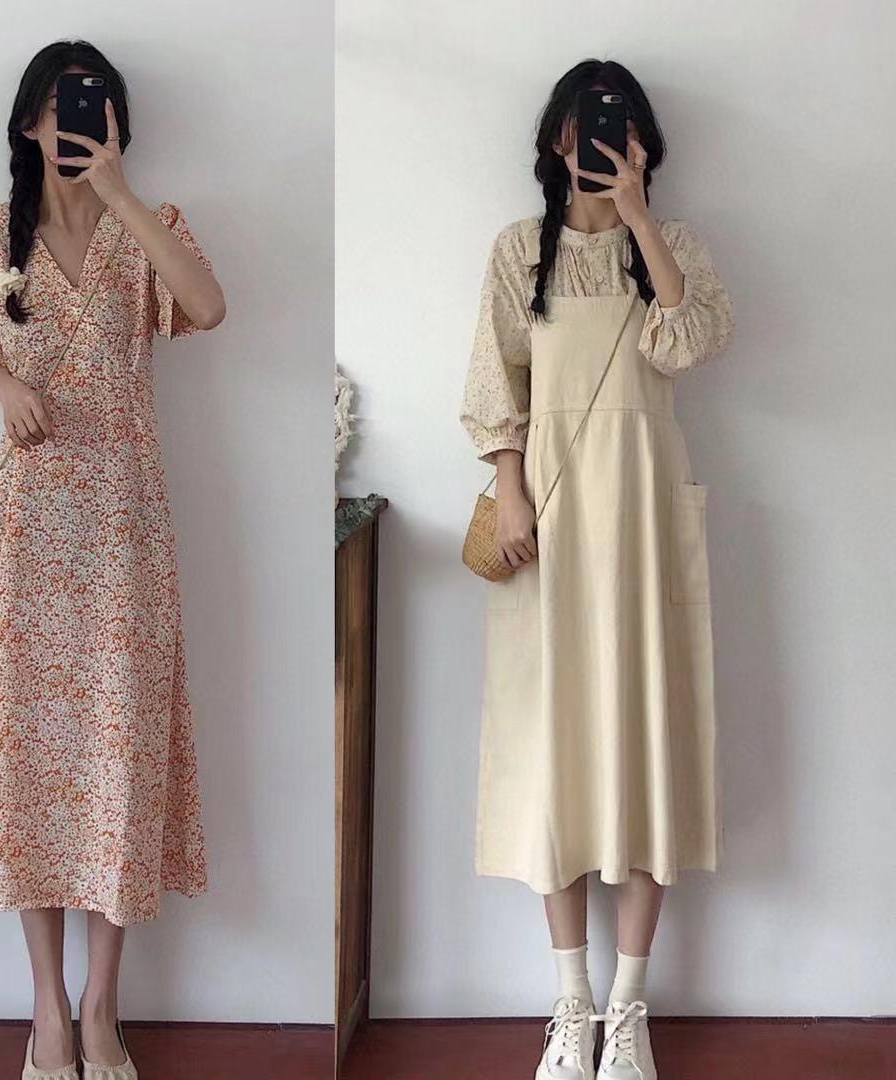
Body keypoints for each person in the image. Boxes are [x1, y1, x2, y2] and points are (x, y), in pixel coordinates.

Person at [0, 40, 225, 1080]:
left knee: (115, 755)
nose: (75, 123)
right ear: (27, 123)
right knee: (30, 760)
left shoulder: (152, 228)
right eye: (59, 108)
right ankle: (46, 1011)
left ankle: (104, 1007)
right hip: (28, 531)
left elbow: (207, 307)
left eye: (93, 107)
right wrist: (4, 387)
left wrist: (120, 195)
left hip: (122, 528)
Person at [459, 59, 734, 1080]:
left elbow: (690, 342)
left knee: (647, 739)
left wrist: (639, 215)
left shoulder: (674, 249)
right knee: (552, 746)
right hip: (548, 522)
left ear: (643, 143)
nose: (600, 143)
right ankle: (568, 1003)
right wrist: (508, 486)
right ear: (556, 141)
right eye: (584, 128)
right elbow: (492, 383)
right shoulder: (515, 250)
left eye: (618, 128)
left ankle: (629, 1008)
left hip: (643, 517)